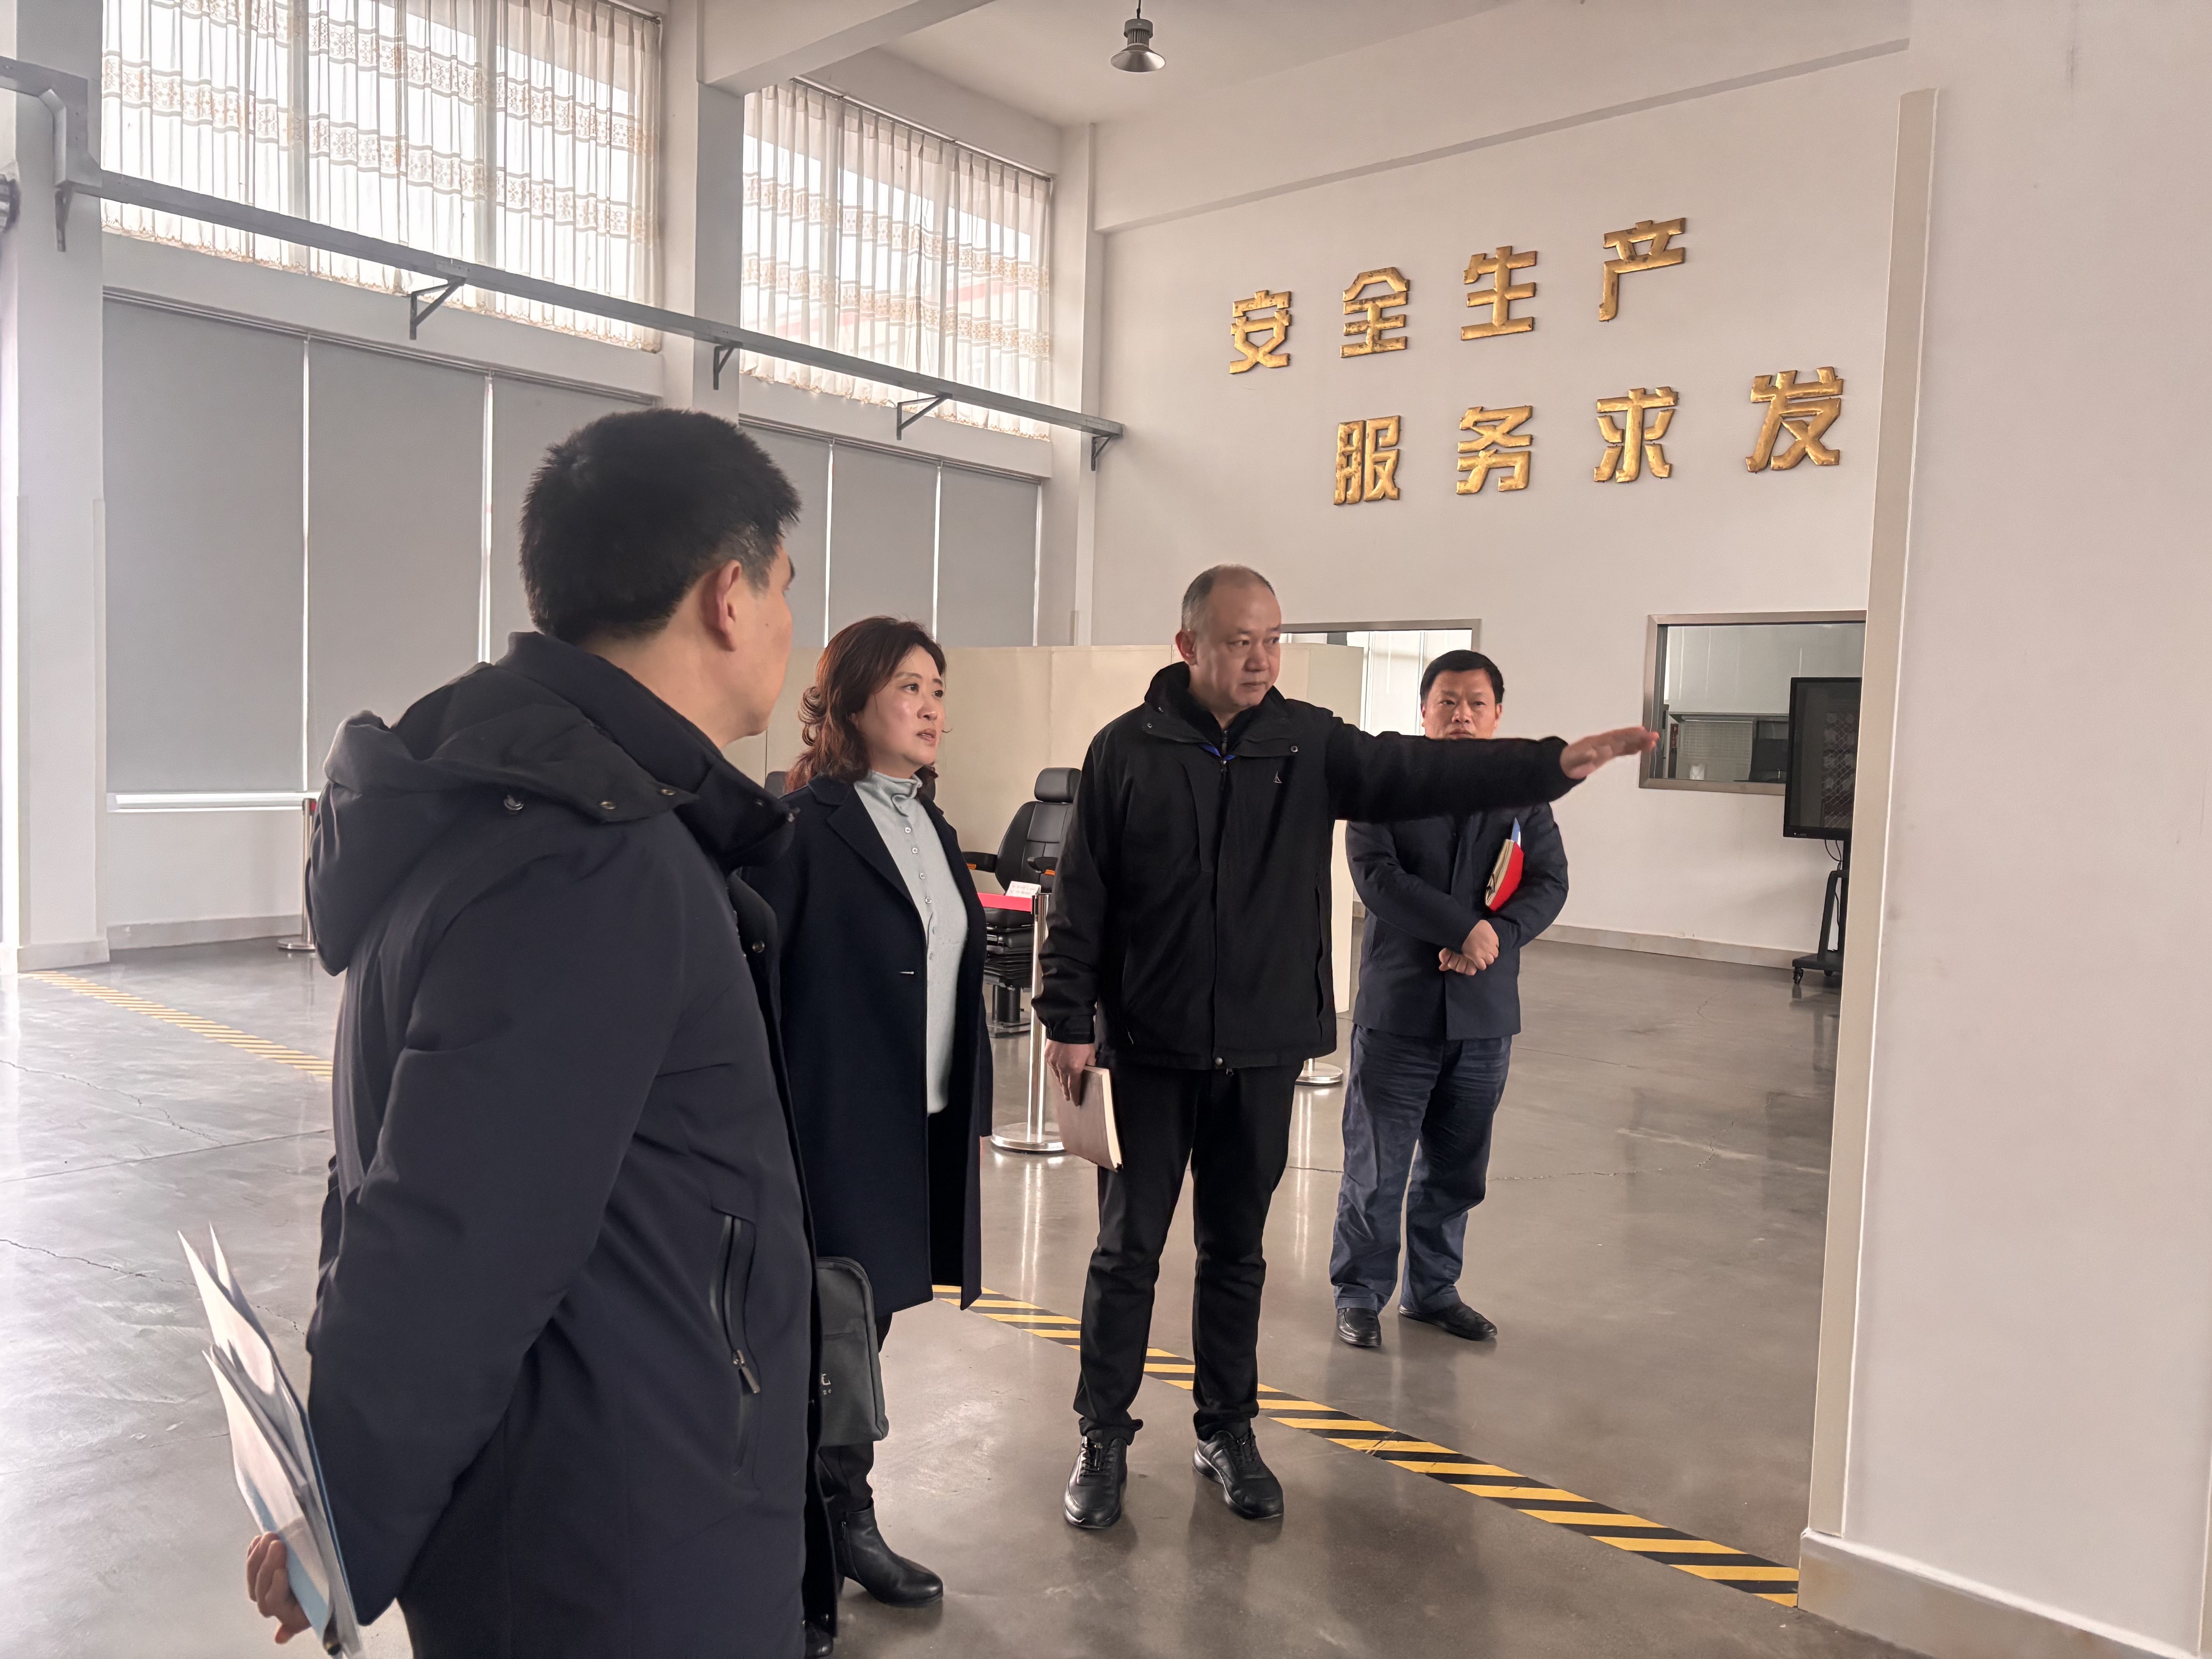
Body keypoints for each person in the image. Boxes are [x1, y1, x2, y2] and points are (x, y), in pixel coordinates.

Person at [243, 409, 837, 1658]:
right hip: (618, 1546)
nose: (792, 622)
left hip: (581, 1490)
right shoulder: (588, 858)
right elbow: (453, 1236)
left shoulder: (504, 805)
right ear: (728, 595)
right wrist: (340, 1521)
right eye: (787, 585)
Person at [1034, 565, 1654, 1532]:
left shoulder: (1309, 743)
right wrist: (1069, 1017)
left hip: (1263, 1046)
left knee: (1236, 1252)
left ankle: (1227, 1429)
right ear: (1188, 645)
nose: (1261, 659)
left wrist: (1550, 766)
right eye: (1240, 641)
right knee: (1128, 1252)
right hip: (1148, 1045)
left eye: (1273, 639)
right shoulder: (1127, 749)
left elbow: (1424, 772)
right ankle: (1103, 1434)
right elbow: (1085, 891)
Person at [745, 617, 992, 1621]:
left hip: (913, 1126)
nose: (931, 708)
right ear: (850, 701)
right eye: (908, 687)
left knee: (856, 1340)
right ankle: (802, 1555)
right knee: (813, 1346)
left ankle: (842, 1525)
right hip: (829, 1129)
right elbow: (757, 991)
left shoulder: (931, 825)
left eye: (938, 689)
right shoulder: (802, 826)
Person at [1330, 649, 1568, 1351]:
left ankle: (1433, 1291)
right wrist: (1460, 928)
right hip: (1400, 1010)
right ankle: (1359, 1293)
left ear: (1498, 714)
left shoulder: (1523, 795)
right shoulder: (1384, 790)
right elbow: (1376, 876)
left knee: (1458, 1170)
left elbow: (1550, 881)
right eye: (1448, 702)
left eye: (1476, 703)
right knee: (1377, 1167)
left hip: (1484, 1016)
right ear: (1424, 711)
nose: (1462, 715)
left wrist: (1495, 936)